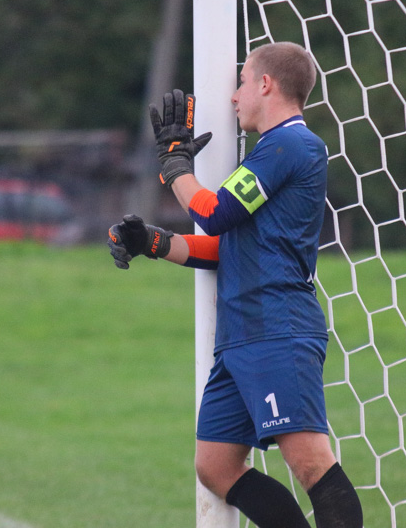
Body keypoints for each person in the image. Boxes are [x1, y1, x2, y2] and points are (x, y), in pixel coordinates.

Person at [108, 42, 363, 528]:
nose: (234, 96)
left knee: (309, 462)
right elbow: (224, 250)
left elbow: (217, 212)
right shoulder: (269, 153)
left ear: (265, 84)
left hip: (277, 330)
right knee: (216, 466)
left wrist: (175, 165)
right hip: (240, 338)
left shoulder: (293, 144)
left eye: (242, 82)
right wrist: (153, 242)